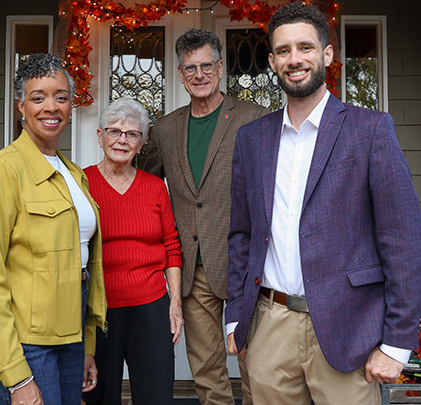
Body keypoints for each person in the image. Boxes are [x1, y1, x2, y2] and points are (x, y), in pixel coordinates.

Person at [225, 2, 421, 404]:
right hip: (270, 324)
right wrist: (235, 314)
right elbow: (241, 234)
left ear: (327, 54)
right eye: (283, 51)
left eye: (305, 47)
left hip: (348, 326)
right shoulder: (252, 139)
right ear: (271, 60)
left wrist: (397, 343)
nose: (294, 59)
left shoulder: (370, 130)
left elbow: (403, 240)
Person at [0, 53, 107, 405]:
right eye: (38, 97)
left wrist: (87, 345)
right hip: (23, 341)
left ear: (71, 105)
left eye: (61, 97)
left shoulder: (74, 174)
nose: (51, 107)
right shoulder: (1, 170)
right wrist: (16, 378)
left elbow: (84, 267)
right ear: (20, 106)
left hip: (69, 336)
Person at [143, 28, 269, 405]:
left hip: (247, 265)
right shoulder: (165, 129)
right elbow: (146, 190)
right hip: (193, 267)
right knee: (207, 368)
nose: (199, 74)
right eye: (190, 68)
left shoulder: (255, 118)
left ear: (220, 68)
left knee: (256, 365)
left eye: (206, 66)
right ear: (180, 75)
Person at [81, 97, 183, 405]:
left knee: (156, 395)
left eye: (132, 134)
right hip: (100, 309)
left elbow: (171, 245)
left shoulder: (154, 187)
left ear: (141, 144)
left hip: (151, 305)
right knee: (100, 396)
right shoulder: (82, 183)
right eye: (114, 131)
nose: (122, 140)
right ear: (100, 137)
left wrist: (174, 304)